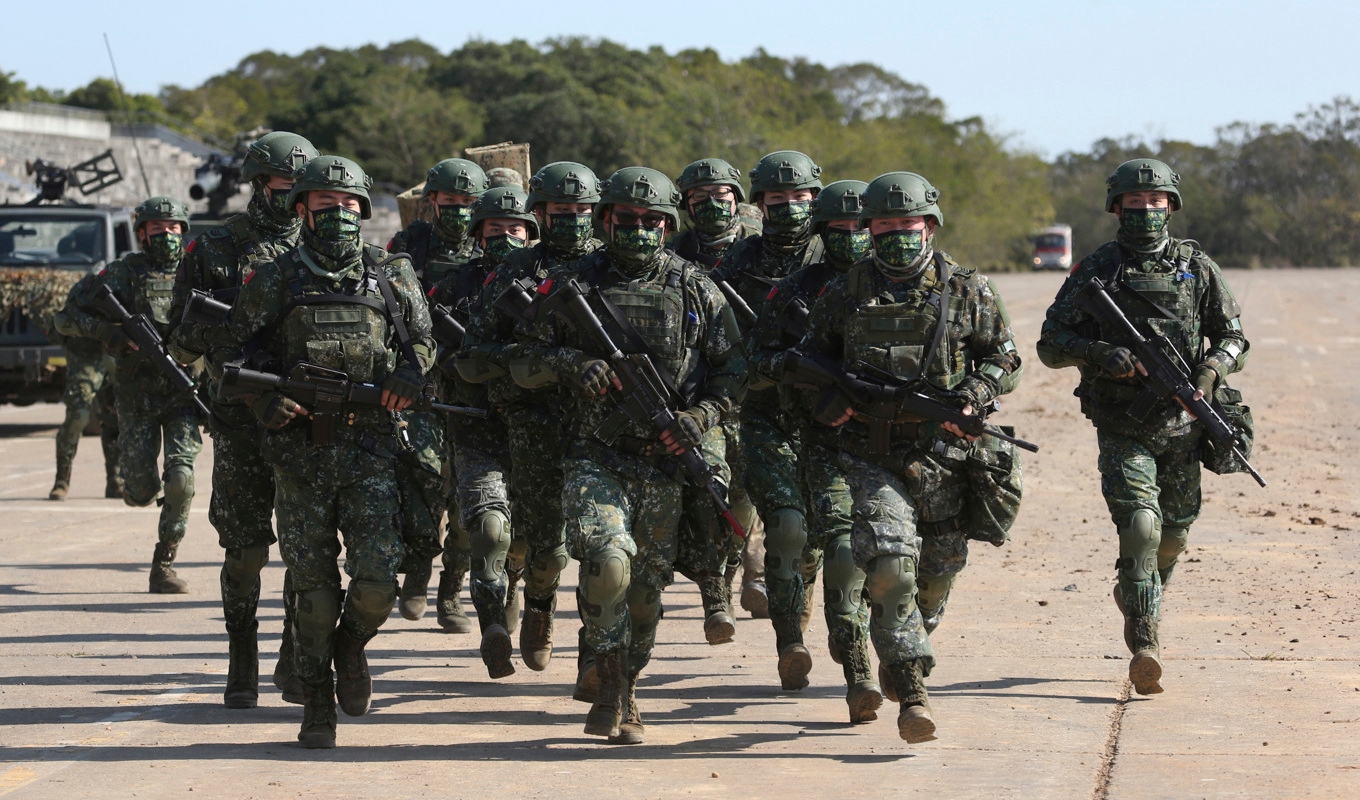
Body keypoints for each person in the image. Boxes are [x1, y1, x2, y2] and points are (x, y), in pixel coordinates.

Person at [520, 166, 746, 744]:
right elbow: (518, 359)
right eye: (627, 220)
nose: (640, 230)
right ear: (605, 221)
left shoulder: (695, 287)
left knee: (645, 592)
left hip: (666, 461)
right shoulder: (569, 284)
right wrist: (572, 366)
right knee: (609, 560)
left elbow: (733, 372)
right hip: (595, 454)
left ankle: (626, 689)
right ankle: (607, 668)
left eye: (653, 222)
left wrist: (699, 419)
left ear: (670, 226)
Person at [798, 171, 1022, 742]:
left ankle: (901, 647)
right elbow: (803, 362)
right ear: (869, 229)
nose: (898, 235)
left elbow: (1006, 357)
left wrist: (975, 394)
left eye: (908, 225)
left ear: (930, 226)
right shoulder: (844, 291)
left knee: (935, 578)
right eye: (886, 226)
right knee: (892, 565)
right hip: (872, 458)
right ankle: (913, 694)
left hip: (946, 456)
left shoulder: (967, 289)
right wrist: (830, 404)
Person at [226, 155, 434, 748]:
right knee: (312, 592)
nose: (340, 216)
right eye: (325, 206)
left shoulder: (391, 274)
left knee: (376, 584)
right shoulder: (274, 277)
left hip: (370, 452)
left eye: (349, 208)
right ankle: (317, 702)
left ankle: (351, 649)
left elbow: (421, 343)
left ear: (364, 212)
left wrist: (413, 377)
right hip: (300, 460)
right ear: (301, 211)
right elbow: (236, 357)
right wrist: (264, 405)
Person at [1037, 158, 1249, 696]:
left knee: (1172, 536)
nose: (1146, 213)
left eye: (1156, 204)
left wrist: (1211, 367)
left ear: (1171, 208)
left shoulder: (1197, 267)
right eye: (1135, 204)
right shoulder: (1097, 270)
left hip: (1185, 424)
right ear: (1117, 208)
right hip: (1122, 424)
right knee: (1139, 529)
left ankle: (1138, 592)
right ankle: (1145, 640)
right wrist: (1099, 352)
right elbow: (1050, 341)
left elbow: (1233, 336)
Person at [168, 131, 318, 708]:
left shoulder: (324, 247)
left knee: (307, 546)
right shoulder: (216, 248)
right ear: (259, 185)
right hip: (238, 418)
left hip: (306, 416)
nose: (295, 200)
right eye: (285, 189)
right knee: (247, 548)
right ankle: (242, 658)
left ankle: (292, 655)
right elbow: (184, 336)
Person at [747, 179, 881, 721]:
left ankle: (859, 672)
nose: (850, 239)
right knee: (788, 530)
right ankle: (790, 642)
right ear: (821, 233)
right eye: (838, 230)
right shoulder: (794, 290)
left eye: (858, 229)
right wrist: (805, 378)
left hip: (858, 440)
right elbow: (757, 359)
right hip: (779, 428)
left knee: (846, 554)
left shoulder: (892, 289)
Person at [460, 161, 602, 674]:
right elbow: (474, 354)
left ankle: (586, 644)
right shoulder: (512, 274)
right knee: (544, 543)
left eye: (582, 210)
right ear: (541, 213)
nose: (572, 218)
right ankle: (527, 609)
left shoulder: (612, 268)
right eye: (560, 211)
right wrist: (541, 362)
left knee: (597, 547)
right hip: (529, 425)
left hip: (602, 429)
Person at [712, 150, 825, 689]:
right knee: (784, 527)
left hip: (831, 415)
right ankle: (789, 639)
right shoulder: (737, 263)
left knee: (820, 540)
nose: (788, 207)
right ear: (759, 204)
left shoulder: (836, 253)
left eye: (799, 197)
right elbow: (714, 335)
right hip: (761, 411)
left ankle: (798, 611)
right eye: (775, 199)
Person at [55, 196, 204, 594]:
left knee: (181, 478)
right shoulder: (122, 273)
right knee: (138, 492)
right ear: (141, 233)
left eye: (174, 229)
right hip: (135, 396)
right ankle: (148, 494)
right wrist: (107, 332)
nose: (168, 236)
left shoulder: (197, 274)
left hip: (182, 394)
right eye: (158, 229)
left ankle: (164, 564)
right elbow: (66, 316)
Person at [430, 185, 539, 679]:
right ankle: (493, 622)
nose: (506, 237)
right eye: (494, 229)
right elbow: (421, 344)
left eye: (515, 229)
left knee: (537, 543)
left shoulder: (553, 282)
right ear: (477, 234)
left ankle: (530, 601)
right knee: (490, 526)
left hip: (539, 428)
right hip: (475, 424)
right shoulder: (454, 286)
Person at [388, 158, 491, 634]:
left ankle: (452, 592)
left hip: (472, 384)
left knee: (467, 499)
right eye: (451, 203)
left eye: (469, 204)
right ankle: (418, 572)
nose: (460, 213)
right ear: (432, 202)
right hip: (424, 385)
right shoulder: (410, 245)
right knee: (427, 484)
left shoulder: (493, 242)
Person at [670, 157, 762, 645]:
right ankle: (716, 589)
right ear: (686, 206)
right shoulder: (677, 253)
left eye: (721, 195)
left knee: (747, 490)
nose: (712, 205)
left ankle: (748, 565)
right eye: (700, 198)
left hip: (758, 388)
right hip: (704, 392)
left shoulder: (758, 247)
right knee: (713, 486)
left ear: (737, 197)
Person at [50, 271, 121, 501]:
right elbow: (64, 320)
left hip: (116, 352)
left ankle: (115, 480)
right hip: (84, 353)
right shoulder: (86, 288)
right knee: (79, 414)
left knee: (115, 415)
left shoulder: (131, 279)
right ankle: (62, 479)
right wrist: (98, 327)